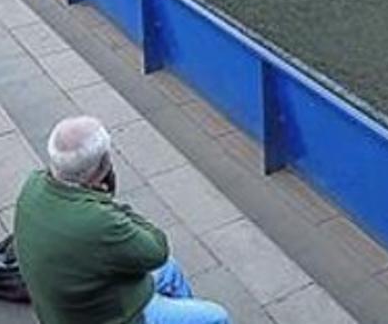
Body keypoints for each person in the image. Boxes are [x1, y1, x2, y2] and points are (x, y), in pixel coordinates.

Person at [14, 116, 229, 324]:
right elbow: (157, 248)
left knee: (170, 269)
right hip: (107, 316)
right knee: (217, 317)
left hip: (66, 307)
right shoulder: (99, 220)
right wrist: (108, 201)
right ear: (101, 168)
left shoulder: (32, 185)